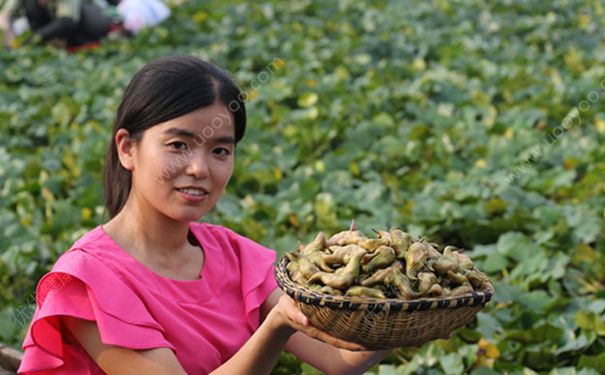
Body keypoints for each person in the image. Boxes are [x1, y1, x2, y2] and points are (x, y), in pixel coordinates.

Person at [17, 56, 393, 374]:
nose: (199, 168)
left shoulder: (234, 254)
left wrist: (401, 312)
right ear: (127, 148)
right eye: (178, 145)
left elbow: (341, 358)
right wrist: (275, 326)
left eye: (219, 151)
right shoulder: (85, 281)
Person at [0, 0, 119, 49]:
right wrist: (9, 38)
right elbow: (4, 15)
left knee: (90, 22)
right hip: (48, 23)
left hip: (83, 24)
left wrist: (34, 38)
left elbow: (66, 21)